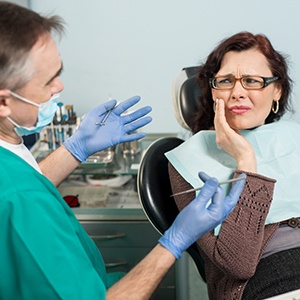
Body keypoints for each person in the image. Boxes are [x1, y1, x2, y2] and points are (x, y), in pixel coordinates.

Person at [0, 2, 247, 299]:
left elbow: (23, 183)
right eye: (47, 81)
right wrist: (174, 242)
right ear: (4, 102)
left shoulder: (12, 166)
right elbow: (20, 196)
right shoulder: (23, 201)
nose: (59, 86)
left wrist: (76, 149)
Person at [167, 31, 300, 300]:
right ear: (212, 91)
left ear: (278, 90)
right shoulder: (188, 161)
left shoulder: (293, 136)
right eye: (226, 81)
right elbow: (238, 263)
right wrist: (246, 162)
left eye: (252, 81)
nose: (238, 92)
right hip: (273, 280)